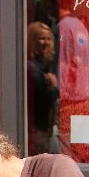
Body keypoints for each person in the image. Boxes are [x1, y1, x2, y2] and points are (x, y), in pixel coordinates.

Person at [26, 21, 59, 155]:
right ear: (32, 41)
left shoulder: (42, 66)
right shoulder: (32, 69)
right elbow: (42, 103)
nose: (45, 42)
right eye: (41, 38)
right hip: (37, 131)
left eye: (48, 38)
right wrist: (54, 87)